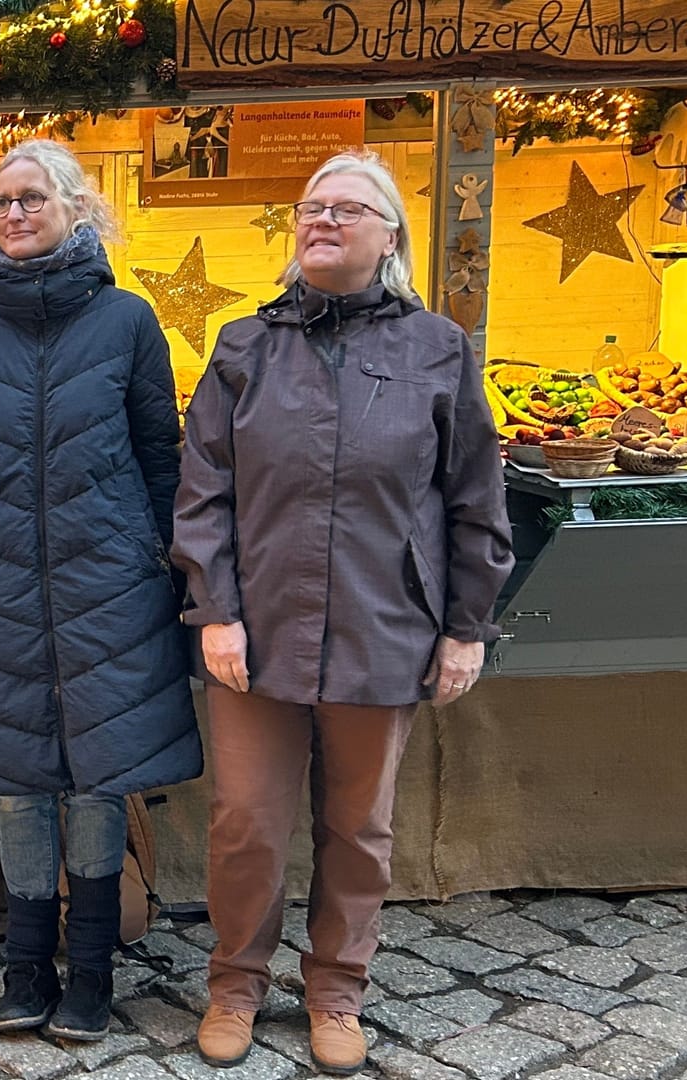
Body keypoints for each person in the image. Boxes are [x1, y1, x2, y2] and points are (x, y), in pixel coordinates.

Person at [173, 150, 512, 1075]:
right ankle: (235, 983)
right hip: (259, 628)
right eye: (312, 207)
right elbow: (203, 489)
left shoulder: (437, 348)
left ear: (389, 234)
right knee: (245, 819)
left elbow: (475, 498)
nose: (323, 220)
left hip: (383, 625)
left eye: (348, 209)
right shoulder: (245, 346)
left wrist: (464, 626)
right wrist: (215, 608)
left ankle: (335, 989)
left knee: (360, 826)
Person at [0, 140, 203, 1040]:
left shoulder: (127, 321)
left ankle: (88, 973)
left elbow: (161, 454)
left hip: (109, 586)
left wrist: (158, 560)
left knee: (94, 784)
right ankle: (23, 970)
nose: (12, 213)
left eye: (30, 197)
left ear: (74, 208)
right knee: (18, 786)